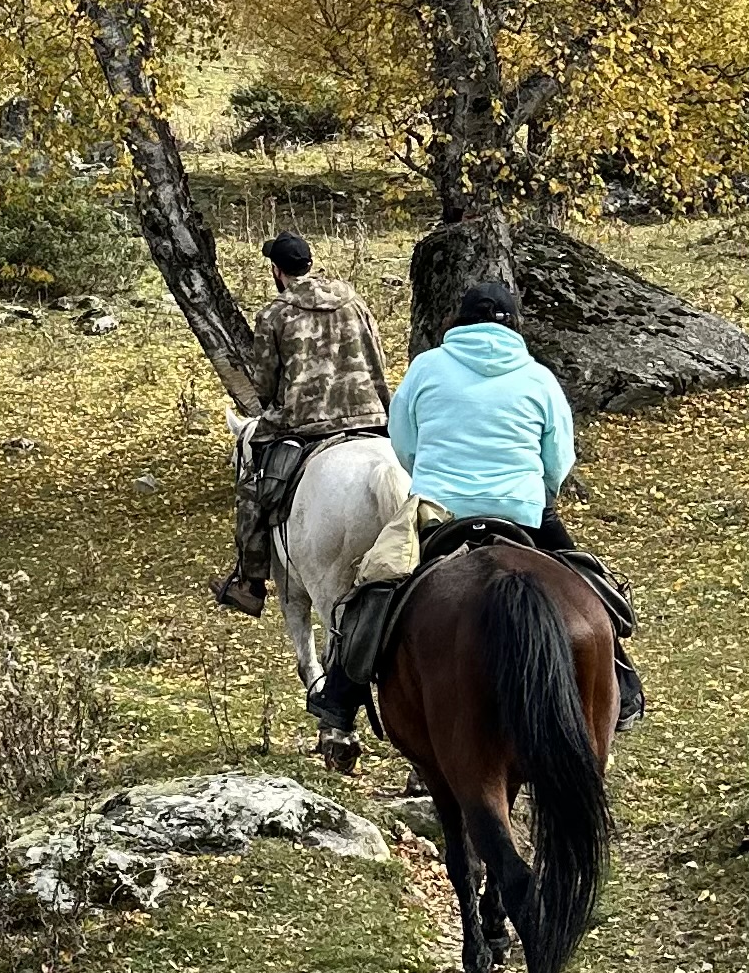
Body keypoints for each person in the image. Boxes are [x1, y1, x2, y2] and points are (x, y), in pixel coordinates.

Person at [307, 278, 642, 735]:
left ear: (459, 321)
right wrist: (535, 488)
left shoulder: (426, 369)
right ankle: (622, 679)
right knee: (586, 580)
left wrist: (432, 476)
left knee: (375, 587)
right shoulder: (538, 376)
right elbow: (560, 459)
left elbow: (403, 444)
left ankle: (340, 697)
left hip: (438, 511)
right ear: (513, 326)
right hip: (523, 510)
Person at [212, 228, 392, 616]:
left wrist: (274, 408)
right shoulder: (354, 301)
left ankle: (250, 580)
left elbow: (265, 385)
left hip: (302, 423)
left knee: (250, 478)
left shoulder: (274, 315)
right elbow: (377, 358)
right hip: (370, 413)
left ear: (277, 271)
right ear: (310, 264)